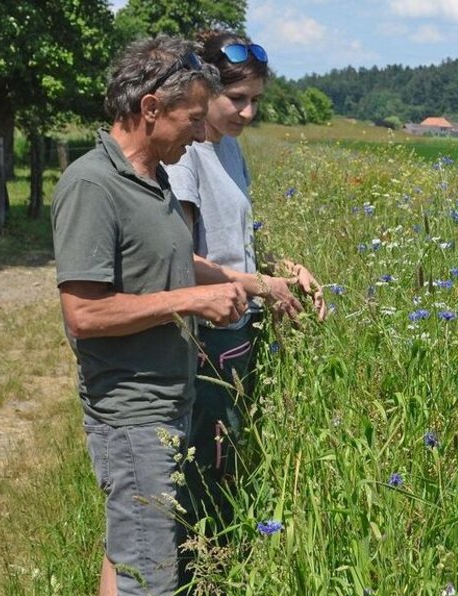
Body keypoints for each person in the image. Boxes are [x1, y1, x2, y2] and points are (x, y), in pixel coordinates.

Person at [51, 35, 291, 596]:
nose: (199, 130)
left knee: (131, 547)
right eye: (188, 117)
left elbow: (172, 264)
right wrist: (192, 300)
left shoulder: (148, 178)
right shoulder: (93, 185)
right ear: (149, 108)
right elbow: (84, 313)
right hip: (130, 405)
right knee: (151, 566)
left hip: (166, 394)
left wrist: (246, 283)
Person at [164, 29, 325, 533]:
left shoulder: (230, 150)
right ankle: (195, 583)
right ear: (204, 91)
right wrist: (262, 285)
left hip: (239, 329)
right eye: (236, 99)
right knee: (206, 467)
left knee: (231, 455)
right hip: (206, 334)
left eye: (255, 100)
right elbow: (182, 260)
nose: (247, 113)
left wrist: (285, 270)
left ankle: (222, 565)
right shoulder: (186, 157)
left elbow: (237, 243)